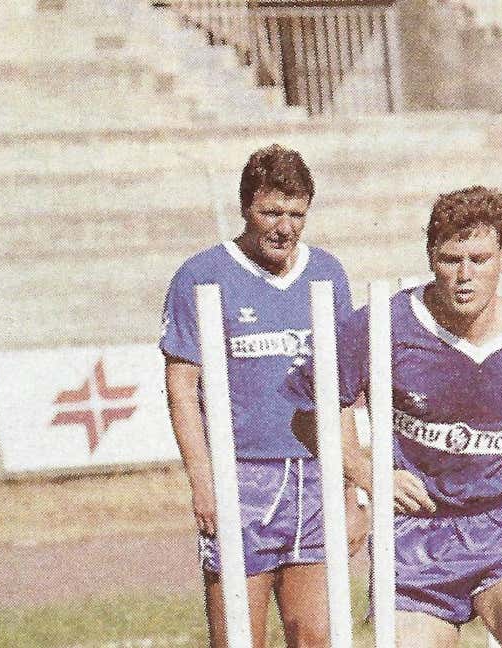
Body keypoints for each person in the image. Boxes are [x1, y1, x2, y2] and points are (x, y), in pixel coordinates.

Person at [283, 186, 502, 648]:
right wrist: (366, 473)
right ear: (431, 256)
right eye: (451, 259)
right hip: (416, 539)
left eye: (479, 258)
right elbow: (309, 410)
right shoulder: (384, 324)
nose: (464, 276)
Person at [160, 144, 369, 648]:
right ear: (245, 209)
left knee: (316, 634)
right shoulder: (201, 275)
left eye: (297, 214)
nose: (285, 226)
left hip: (313, 474)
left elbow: (338, 394)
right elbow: (182, 387)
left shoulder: (327, 274)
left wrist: (350, 491)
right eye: (271, 212)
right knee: (237, 636)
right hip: (243, 476)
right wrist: (203, 481)